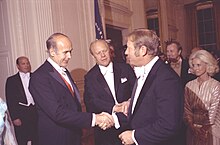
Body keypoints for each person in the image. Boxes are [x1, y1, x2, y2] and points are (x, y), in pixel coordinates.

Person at [28, 33, 113, 145]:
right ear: (52, 52)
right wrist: (94, 119)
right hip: (56, 139)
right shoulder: (39, 77)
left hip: (73, 135)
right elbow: (57, 113)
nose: (69, 56)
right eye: (65, 52)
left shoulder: (64, 71)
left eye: (70, 51)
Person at [118, 28, 184, 145]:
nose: (126, 52)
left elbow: (168, 125)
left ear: (143, 50)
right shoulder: (146, 71)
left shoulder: (166, 78)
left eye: (129, 48)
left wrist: (134, 136)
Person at [84, 39, 136, 145]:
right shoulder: (90, 77)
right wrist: (114, 108)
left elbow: (137, 90)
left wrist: (130, 101)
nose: (103, 55)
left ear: (110, 51)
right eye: (98, 53)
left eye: (105, 51)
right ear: (93, 55)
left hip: (129, 125)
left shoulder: (125, 68)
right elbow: (92, 102)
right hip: (106, 129)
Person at [184, 50, 220, 145]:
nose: (195, 68)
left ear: (207, 65)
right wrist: (192, 127)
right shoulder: (189, 85)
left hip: (211, 131)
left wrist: (203, 130)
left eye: (199, 65)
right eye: (193, 65)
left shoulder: (216, 85)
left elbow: (214, 112)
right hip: (192, 131)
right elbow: (186, 109)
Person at [5, 56, 38, 145]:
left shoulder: (36, 77)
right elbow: (10, 100)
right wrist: (14, 117)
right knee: (22, 139)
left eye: (27, 63)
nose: (26, 65)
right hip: (21, 113)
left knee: (37, 138)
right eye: (23, 63)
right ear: (18, 66)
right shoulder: (11, 80)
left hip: (35, 112)